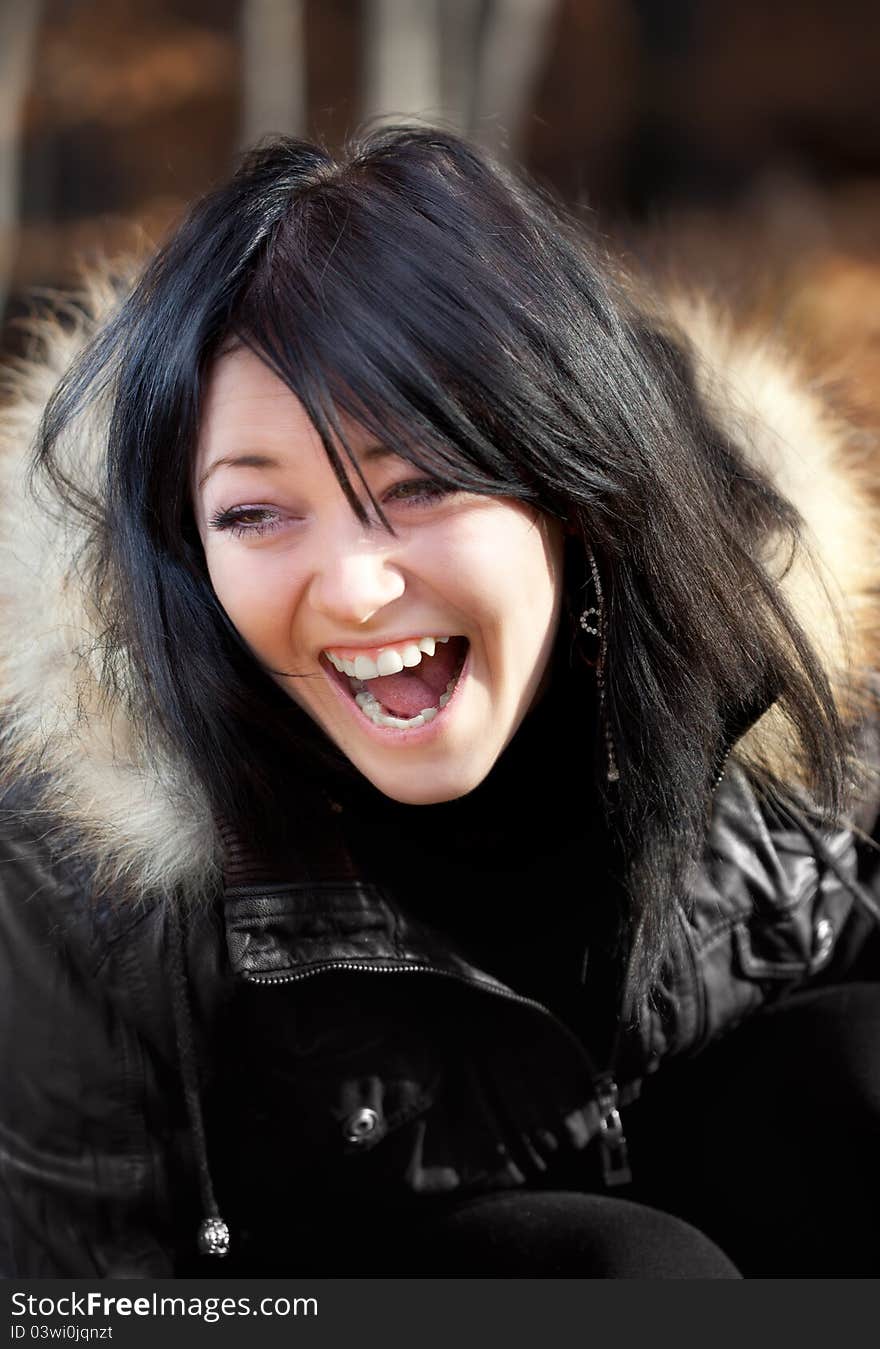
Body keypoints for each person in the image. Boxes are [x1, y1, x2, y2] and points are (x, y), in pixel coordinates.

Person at [0, 126, 878, 1279]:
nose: (356, 590)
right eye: (255, 514)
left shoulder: (760, 663)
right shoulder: (84, 846)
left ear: (572, 482)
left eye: (420, 483)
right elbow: (74, 1304)